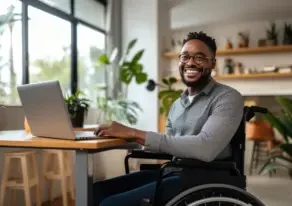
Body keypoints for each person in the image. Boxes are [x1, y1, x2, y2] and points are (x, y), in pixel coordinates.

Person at [93, 31, 244, 206]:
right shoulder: (178, 104)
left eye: (199, 57)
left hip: (206, 177)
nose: (190, 62)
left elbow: (206, 148)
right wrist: (126, 138)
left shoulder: (227, 97)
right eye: (185, 56)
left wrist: (135, 132)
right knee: (97, 190)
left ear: (212, 63)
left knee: (111, 204)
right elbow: (170, 145)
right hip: (174, 172)